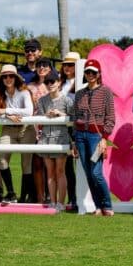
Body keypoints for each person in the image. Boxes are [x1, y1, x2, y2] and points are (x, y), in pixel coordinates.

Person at [72, 59, 115, 216]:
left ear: (99, 74)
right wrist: (74, 141)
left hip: (96, 136)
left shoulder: (106, 92)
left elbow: (110, 118)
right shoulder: (79, 94)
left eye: (93, 72)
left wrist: (104, 138)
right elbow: (75, 117)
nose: (90, 75)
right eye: (87, 72)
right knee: (88, 173)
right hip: (80, 136)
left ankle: (107, 205)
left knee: (96, 173)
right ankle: (98, 206)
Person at [0, 64, 34, 203]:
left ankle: (24, 197)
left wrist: (7, 111)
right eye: (5, 76)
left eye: (11, 76)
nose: (8, 79)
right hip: (8, 128)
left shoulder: (24, 92)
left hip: (26, 128)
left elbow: (29, 111)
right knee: (2, 160)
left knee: (26, 164)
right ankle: (11, 193)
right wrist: (7, 115)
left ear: (16, 78)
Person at [36, 71, 73, 211]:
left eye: (53, 81)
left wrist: (60, 114)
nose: (50, 84)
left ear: (59, 83)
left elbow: (74, 118)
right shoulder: (42, 100)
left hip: (61, 139)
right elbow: (38, 118)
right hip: (46, 138)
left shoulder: (67, 100)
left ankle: (61, 203)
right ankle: (53, 201)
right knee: (50, 172)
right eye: (47, 82)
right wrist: (46, 115)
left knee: (60, 171)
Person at [24, 58, 55, 203]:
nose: (42, 68)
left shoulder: (54, 84)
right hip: (34, 126)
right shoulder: (29, 86)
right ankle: (39, 196)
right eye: (39, 65)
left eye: (45, 65)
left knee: (50, 163)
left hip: (52, 126)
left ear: (50, 68)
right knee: (36, 163)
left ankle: (51, 195)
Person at [59, 51, 80, 211]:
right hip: (62, 128)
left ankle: (80, 198)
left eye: (71, 65)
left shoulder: (81, 85)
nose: (67, 67)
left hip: (76, 127)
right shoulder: (60, 83)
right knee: (66, 167)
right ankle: (72, 198)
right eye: (65, 64)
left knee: (79, 165)